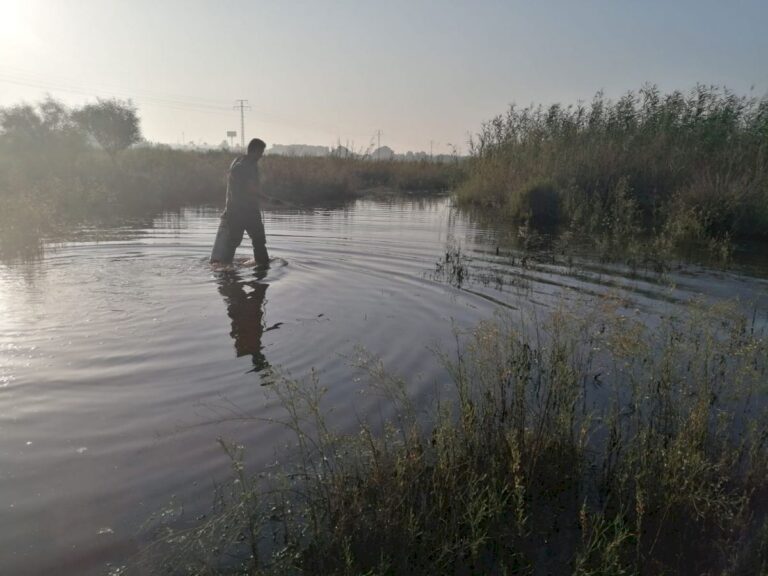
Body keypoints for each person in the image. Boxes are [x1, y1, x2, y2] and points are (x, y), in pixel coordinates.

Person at [210, 138, 269, 267]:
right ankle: (261, 268)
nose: (261, 155)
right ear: (254, 151)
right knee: (253, 241)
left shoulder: (240, 161)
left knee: (238, 242)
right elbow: (250, 188)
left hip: (240, 211)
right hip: (243, 211)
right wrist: (267, 199)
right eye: (260, 152)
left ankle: (226, 269)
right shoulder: (243, 166)